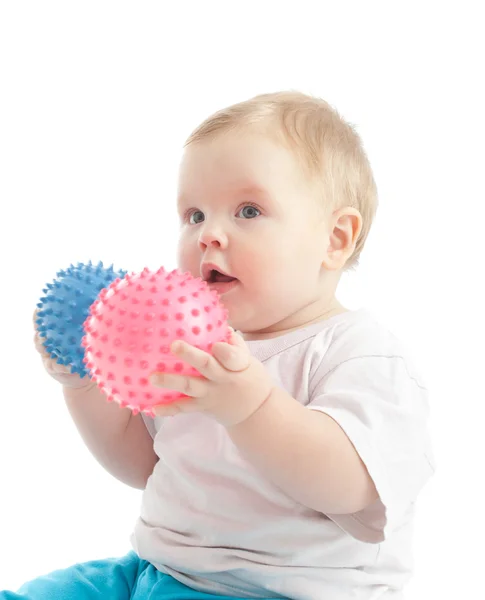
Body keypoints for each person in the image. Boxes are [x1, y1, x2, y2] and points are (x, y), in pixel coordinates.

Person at [3, 91, 435, 599]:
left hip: (277, 591)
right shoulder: (187, 343)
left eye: (248, 210)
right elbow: (143, 464)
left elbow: (350, 485)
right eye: (194, 215)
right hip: (154, 570)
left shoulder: (357, 353)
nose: (209, 234)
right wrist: (81, 385)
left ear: (335, 239)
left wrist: (251, 407)